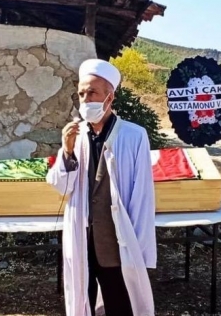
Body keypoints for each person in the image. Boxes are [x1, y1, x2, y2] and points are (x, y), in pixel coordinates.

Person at [46, 58, 157, 316]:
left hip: (117, 242)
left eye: (92, 93)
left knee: (120, 303)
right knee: (83, 299)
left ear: (110, 97)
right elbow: (61, 186)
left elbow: (142, 195)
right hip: (83, 238)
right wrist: (67, 151)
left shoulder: (133, 135)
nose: (86, 100)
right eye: (81, 94)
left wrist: (140, 249)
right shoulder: (76, 136)